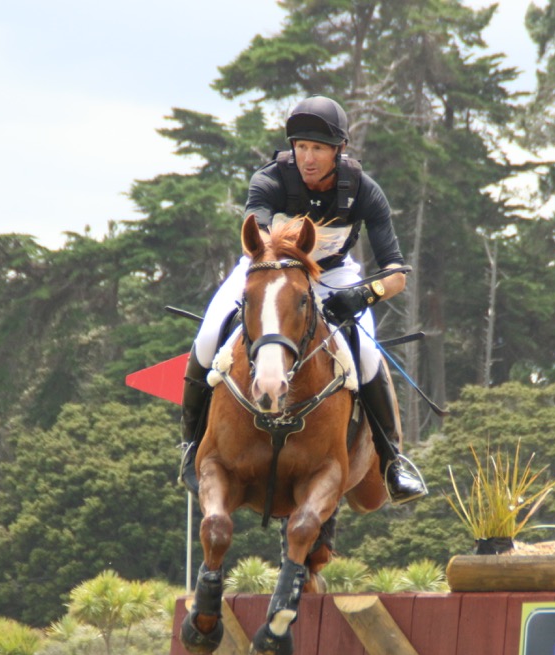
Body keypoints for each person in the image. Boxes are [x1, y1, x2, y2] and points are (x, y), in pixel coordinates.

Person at [180, 94, 427, 505]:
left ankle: (392, 461)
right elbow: (256, 238)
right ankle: (189, 445)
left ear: (338, 150)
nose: (308, 158)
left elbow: (397, 275)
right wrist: (280, 267)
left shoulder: (364, 190)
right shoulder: (270, 180)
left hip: (333, 275)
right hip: (270, 271)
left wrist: (363, 294)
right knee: (208, 338)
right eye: (301, 147)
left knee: (365, 354)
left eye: (318, 148)